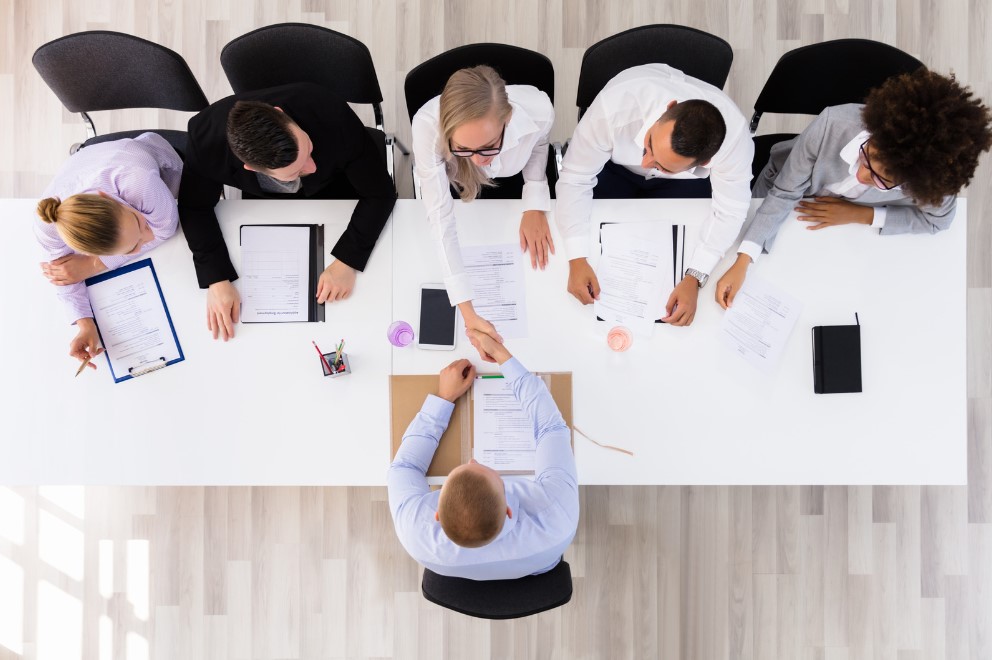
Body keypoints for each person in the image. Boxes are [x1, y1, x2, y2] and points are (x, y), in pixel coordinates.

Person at [715, 69, 992, 309]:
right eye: (866, 156)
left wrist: (861, 215)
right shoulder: (833, 123)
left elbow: (939, 220)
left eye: (880, 179)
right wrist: (744, 260)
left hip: (845, 240)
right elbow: (784, 192)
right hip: (783, 191)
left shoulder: (928, 181)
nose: (860, 174)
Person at [178, 82, 397, 341]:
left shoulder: (330, 111)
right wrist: (217, 279)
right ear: (250, 167)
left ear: (282, 113)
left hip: (337, 182)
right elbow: (194, 206)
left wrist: (346, 261)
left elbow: (380, 193)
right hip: (264, 204)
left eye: (307, 150)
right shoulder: (204, 140)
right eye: (297, 171)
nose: (311, 166)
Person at [555, 63, 753, 327]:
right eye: (649, 144)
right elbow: (575, 177)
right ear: (668, 108)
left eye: (660, 164)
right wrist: (577, 257)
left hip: (679, 186)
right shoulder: (615, 107)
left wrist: (695, 276)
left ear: (705, 162)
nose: (646, 162)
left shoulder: (735, 143)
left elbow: (731, 211)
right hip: (614, 168)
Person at [387, 331, 579, 580]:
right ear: (509, 510)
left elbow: (404, 466)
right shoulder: (556, 518)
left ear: (436, 514)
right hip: (538, 561)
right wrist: (501, 354)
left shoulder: (415, 531)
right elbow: (551, 428)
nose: (472, 460)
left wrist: (445, 397)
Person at [412, 65, 555, 354]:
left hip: (511, 183)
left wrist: (534, 203)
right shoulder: (427, 126)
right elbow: (440, 218)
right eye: (464, 148)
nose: (478, 160)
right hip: (452, 185)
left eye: (489, 146)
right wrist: (469, 314)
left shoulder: (540, 110)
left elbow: (539, 145)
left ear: (508, 119)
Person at [34, 133, 182, 371]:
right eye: (134, 247)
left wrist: (94, 265)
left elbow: (165, 229)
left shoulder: (138, 183)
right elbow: (62, 274)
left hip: (157, 163)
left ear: (106, 196)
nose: (147, 236)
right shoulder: (50, 225)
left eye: (138, 221)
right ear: (84, 249)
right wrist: (85, 324)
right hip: (87, 165)